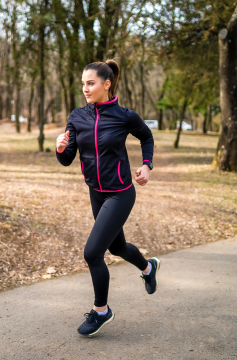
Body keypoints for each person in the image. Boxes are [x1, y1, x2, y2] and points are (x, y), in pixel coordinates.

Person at [55, 60, 160, 337]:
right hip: (96, 193)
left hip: (121, 193)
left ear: (106, 84)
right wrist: (61, 148)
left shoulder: (125, 116)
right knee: (117, 248)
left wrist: (146, 164)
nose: (85, 89)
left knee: (92, 253)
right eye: (83, 84)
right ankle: (149, 267)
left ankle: (101, 311)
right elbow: (67, 159)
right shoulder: (77, 116)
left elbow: (146, 136)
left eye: (90, 83)